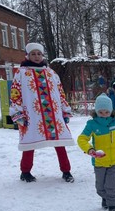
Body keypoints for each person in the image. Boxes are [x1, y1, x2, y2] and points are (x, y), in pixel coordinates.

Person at [9, 42, 75, 183]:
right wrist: (18, 114)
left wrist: (65, 111)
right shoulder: (21, 73)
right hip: (33, 116)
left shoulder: (51, 73)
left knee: (60, 143)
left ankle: (66, 170)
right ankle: (25, 171)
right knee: (29, 143)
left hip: (54, 115)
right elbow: (15, 94)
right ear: (27, 55)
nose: (36, 56)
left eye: (39, 54)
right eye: (33, 54)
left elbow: (60, 93)